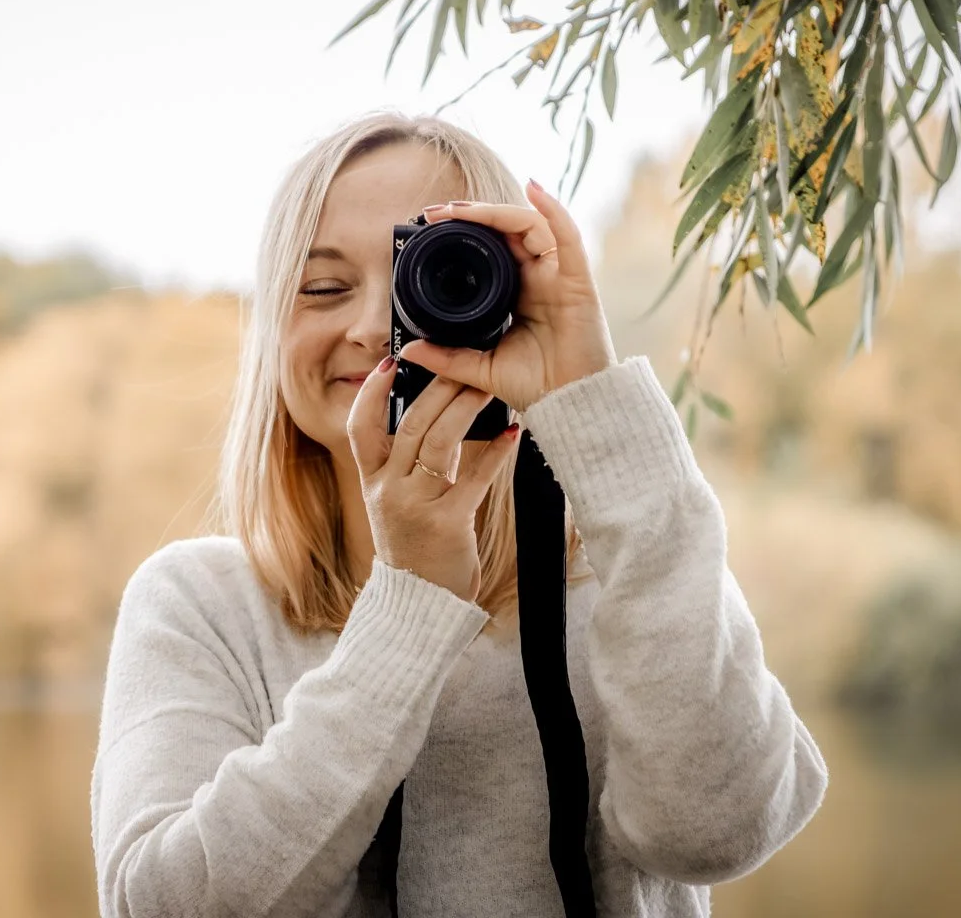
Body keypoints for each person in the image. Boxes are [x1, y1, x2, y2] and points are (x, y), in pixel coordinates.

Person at [90, 111, 828, 917]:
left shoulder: (625, 573)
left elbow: (717, 833)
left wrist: (598, 406)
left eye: (436, 278)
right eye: (325, 287)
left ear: (518, 302)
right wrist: (408, 604)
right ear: (271, 331)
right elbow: (158, 904)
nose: (375, 326)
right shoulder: (200, 606)